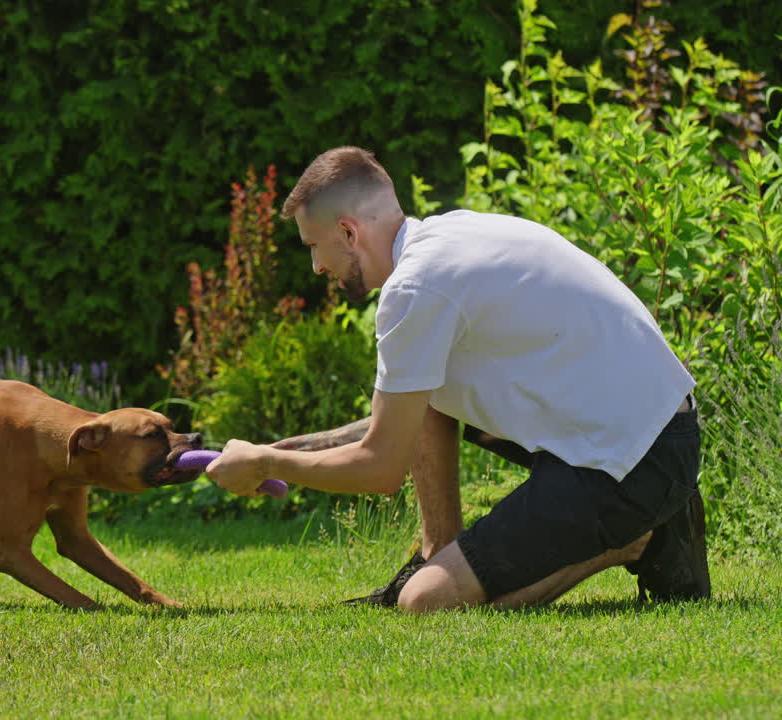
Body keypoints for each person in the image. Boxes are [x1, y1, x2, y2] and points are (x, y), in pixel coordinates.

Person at [206, 146, 710, 612]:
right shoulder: (448, 240)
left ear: (348, 232)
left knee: (425, 604)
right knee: (425, 401)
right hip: (636, 433)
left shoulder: (416, 288)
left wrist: (269, 461)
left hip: (636, 458)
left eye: (315, 246)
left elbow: (380, 468)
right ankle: (437, 552)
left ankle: (641, 536)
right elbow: (396, 421)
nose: (316, 266)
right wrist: (272, 451)